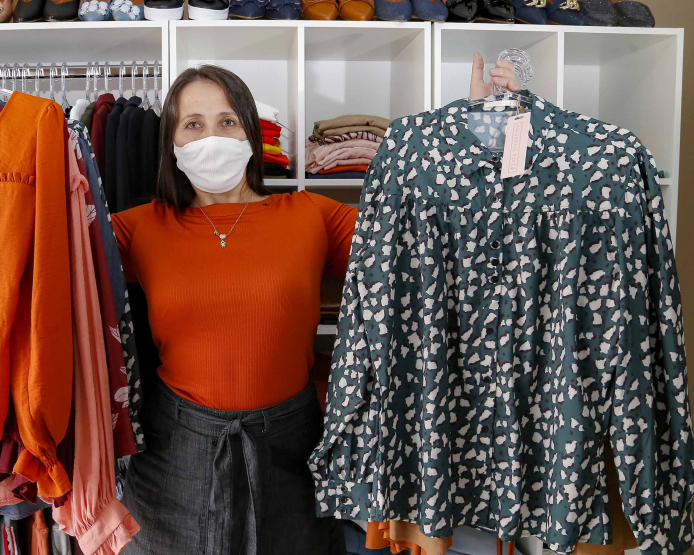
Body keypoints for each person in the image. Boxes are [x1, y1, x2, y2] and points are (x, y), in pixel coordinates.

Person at [111, 55, 523, 555]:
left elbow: (441, 232)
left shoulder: (309, 214)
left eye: (227, 121)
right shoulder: (138, 227)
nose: (210, 137)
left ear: (250, 132)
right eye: (192, 124)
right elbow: (47, 252)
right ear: (171, 142)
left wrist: (490, 130)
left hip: (293, 447)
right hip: (175, 451)